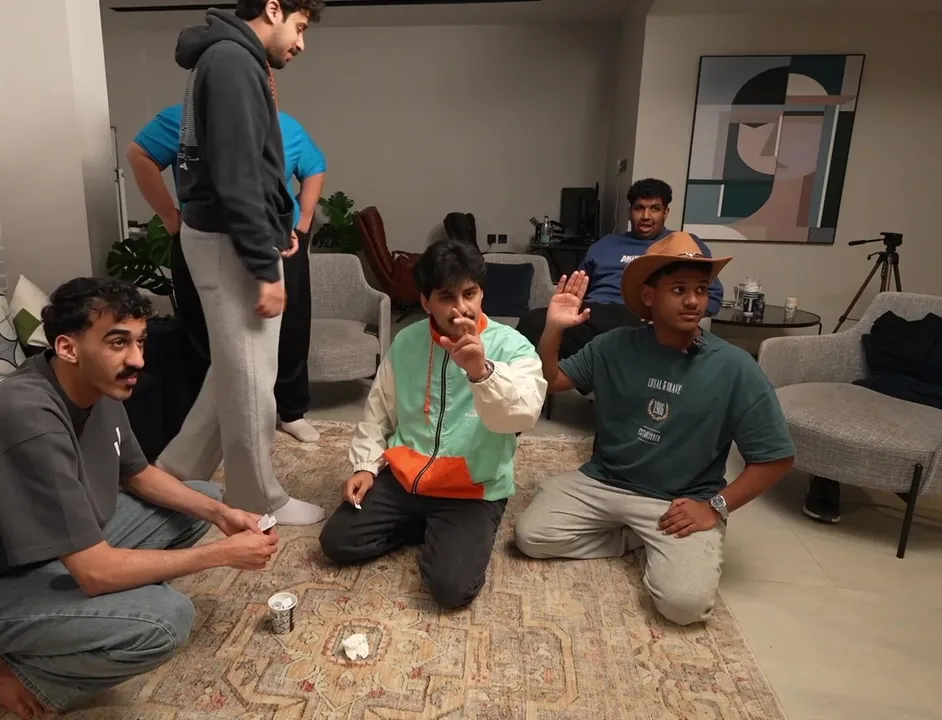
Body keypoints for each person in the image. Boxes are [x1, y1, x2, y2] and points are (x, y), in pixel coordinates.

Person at [0, 278, 281, 719]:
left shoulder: (95, 386)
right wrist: (222, 555)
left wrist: (222, 514)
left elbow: (137, 473)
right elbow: (96, 573)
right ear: (67, 348)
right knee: (165, 620)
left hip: (37, 555)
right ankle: (5, 665)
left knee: (200, 500)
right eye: (118, 343)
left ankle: (82, 616)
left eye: (140, 341)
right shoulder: (26, 416)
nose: (137, 359)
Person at [514, 232, 795, 626]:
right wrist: (554, 329)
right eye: (679, 289)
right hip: (604, 481)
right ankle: (633, 537)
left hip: (678, 500)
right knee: (531, 537)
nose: (693, 300)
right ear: (649, 296)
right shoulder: (614, 345)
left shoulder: (734, 367)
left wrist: (715, 507)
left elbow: (776, 458)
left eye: (701, 289)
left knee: (683, 606)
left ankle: (649, 535)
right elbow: (551, 381)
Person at [159, 0, 327, 526]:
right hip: (227, 241)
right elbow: (236, 175)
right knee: (253, 377)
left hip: (226, 235)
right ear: (273, 9)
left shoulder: (229, 58)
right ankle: (257, 499)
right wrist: (263, 265)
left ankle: (175, 473)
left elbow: (254, 164)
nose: (301, 43)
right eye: (300, 27)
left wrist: (279, 225)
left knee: (234, 369)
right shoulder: (232, 61)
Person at [319, 241, 547, 609]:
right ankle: (429, 527)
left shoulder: (513, 346)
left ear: (481, 293)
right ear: (426, 302)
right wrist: (365, 466)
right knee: (337, 542)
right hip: (407, 478)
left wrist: (481, 372)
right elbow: (379, 410)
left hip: (472, 487)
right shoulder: (406, 341)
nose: (462, 308)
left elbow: (522, 416)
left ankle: (449, 532)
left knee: (451, 589)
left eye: (469, 294)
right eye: (446, 297)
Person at [126, 106, 328, 443]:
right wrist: (168, 216)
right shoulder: (183, 119)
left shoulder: (285, 125)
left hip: (277, 243)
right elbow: (139, 154)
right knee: (202, 329)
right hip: (203, 241)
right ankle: (214, 418)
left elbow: (315, 166)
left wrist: (304, 219)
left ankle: (291, 411)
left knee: (290, 328)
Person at [516, 178, 725, 360]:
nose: (646, 216)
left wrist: (668, 315)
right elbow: (579, 287)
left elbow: (713, 296)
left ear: (666, 212)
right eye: (639, 208)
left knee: (622, 337)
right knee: (533, 321)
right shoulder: (605, 244)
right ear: (630, 212)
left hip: (640, 316)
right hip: (594, 312)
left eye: (654, 208)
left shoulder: (682, 244)